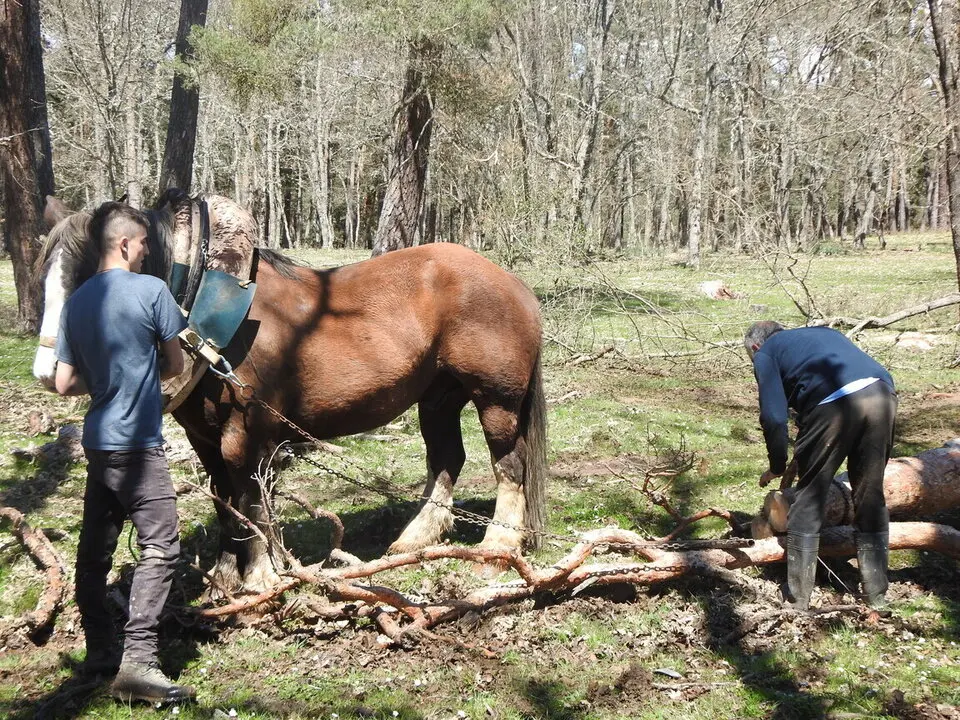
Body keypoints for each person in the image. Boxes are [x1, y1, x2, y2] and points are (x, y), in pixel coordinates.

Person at [54, 201, 195, 704]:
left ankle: (99, 652)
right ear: (124, 243)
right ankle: (138, 664)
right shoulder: (152, 291)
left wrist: (105, 380)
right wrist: (140, 373)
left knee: (95, 554)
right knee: (161, 545)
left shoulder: (76, 302)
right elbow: (175, 365)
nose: (148, 251)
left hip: (97, 443)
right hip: (137, 445)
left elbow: (63, 382)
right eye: (144, 243)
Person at [744, 321, 897, 611]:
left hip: (835, 403)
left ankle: (797, 598)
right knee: (870, 493)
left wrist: (777, 465)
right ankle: (877, 595)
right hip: (882, 393)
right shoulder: (823, 333)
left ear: (755, 346)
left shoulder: (766, 352)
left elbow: (774, 418)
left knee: (810, 497)